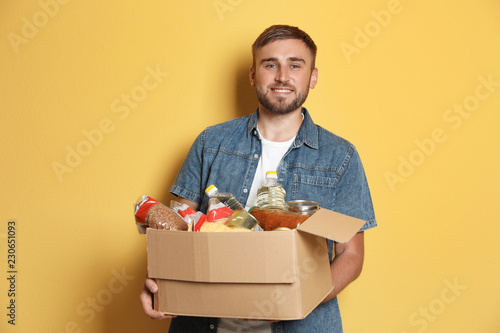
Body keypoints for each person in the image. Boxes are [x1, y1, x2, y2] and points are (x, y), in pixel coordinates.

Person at [140, 24, 377, 332]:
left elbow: (351, 255)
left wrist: (294, 299)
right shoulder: (211, 143)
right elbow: (176, 232)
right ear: (253, 75)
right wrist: (161, 285)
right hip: (206, 321)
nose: (282, 76)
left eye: (295, 65)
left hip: (302, 324)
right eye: (270, 64)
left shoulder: (340, 157)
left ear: (312, 77)